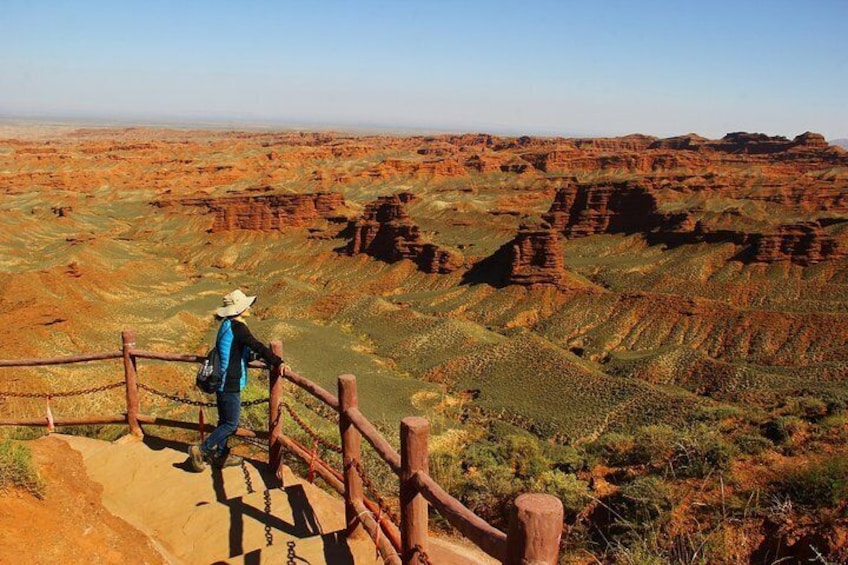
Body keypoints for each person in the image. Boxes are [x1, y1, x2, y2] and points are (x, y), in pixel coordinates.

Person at [189, 289, 283, 471]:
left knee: (224, 421)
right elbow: (255, 344)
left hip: (221, 381)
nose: (249, 307)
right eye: (246, 305)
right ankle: (201, 450)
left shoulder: (226, 325)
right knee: (231, 424)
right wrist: (277, 361)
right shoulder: (238, 327)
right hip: (229, 382)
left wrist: (254, 356)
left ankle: (220, 456)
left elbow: (239, 350)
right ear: (239, 309)